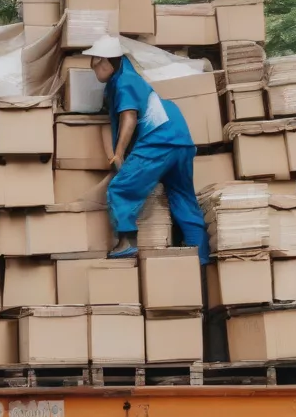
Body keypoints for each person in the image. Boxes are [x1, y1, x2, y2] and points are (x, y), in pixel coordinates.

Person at [82, 35, 209, 263]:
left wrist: (119, 154)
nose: (93, 69)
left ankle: (127, 243)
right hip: (181, 140)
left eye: (94, 63)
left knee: (120, 188)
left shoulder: (125, 81)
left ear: (106, 61)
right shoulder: (129, 79)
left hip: (159, 140)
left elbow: (129, 118)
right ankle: (200, 259)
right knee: (183, 198)